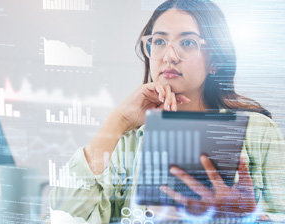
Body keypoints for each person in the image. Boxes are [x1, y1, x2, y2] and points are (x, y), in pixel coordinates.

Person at [50, 0, 285, 222]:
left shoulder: (258, 132)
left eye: (188, 43)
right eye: (160, 42)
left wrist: (247, 219)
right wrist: (118, 120)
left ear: (215, 61)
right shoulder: (126, 140)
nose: (169, 57)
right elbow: (66, 214)